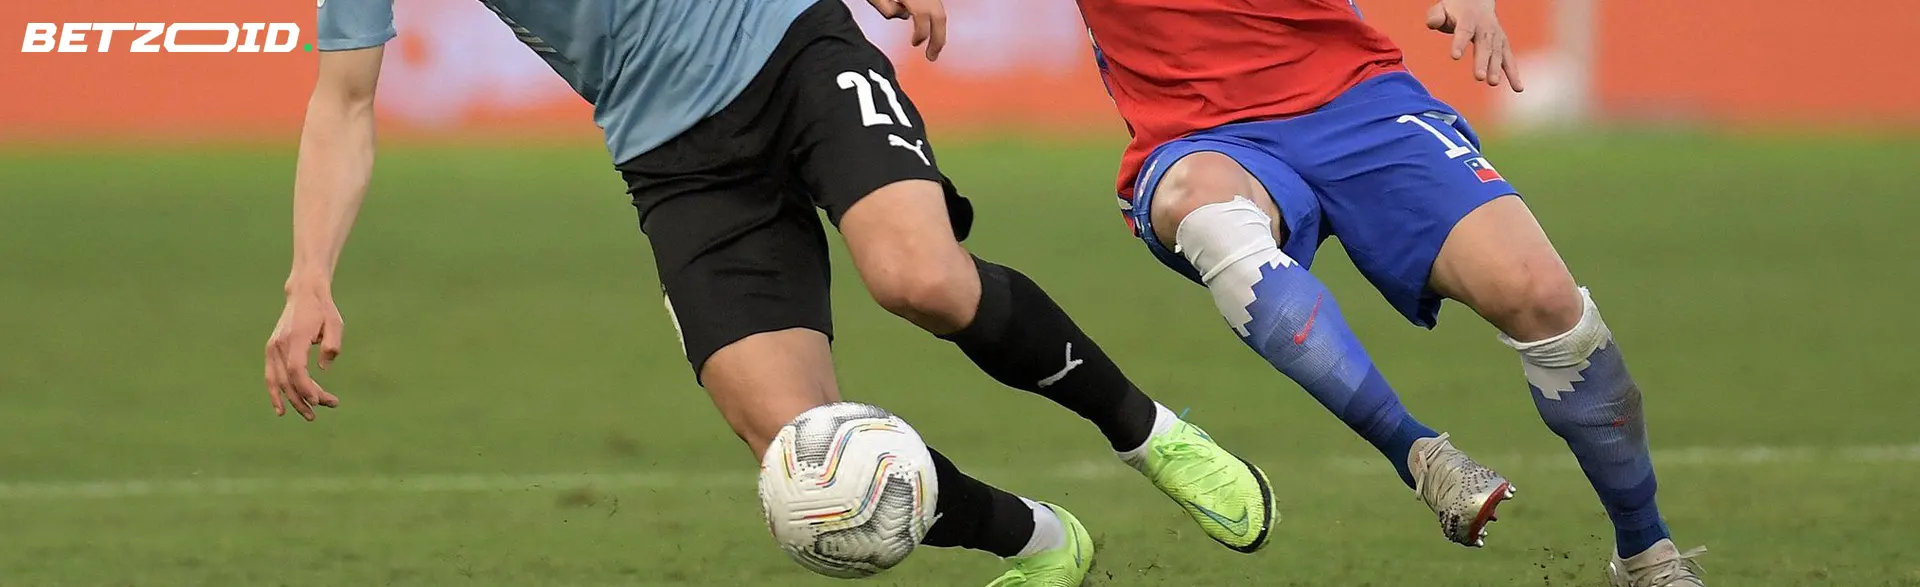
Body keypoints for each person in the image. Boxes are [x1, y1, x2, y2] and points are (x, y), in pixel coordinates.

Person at [260, 0, 1276, 584]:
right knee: (801, 450)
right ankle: (1042, 541)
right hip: (673, 153)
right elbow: (344, 101)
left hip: (789, 45)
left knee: (917, 276)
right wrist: (311, 274)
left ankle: (1151, 435)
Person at [1068, 0, 1705, 584]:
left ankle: (1647, 552)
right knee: (1209, 217)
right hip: (1197, 133)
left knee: (1544, 300)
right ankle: (1419, 455)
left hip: (1356, 98)